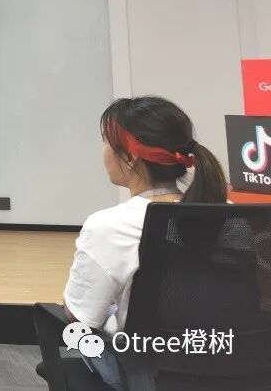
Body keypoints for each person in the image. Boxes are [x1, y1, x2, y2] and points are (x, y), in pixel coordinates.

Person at [62, 96, 228, 389]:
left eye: (106, 142)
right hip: (233, 364)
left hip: (149, 375)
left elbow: (81, 316)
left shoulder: (108, 227)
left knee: (75, 331)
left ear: (130, 157)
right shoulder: (229, 214)